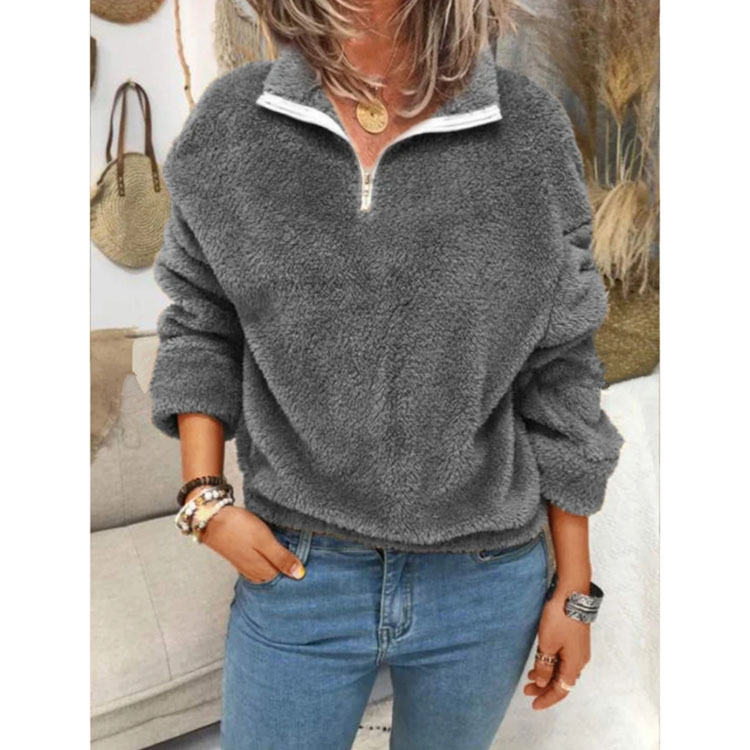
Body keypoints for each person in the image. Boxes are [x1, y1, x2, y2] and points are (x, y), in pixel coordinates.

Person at [149, 1, 625, 748]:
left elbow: (560, 367)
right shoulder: (237, 122)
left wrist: (575, 590)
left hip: (485, 580)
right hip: (301, 570)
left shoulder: (525, 129)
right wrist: (205, 500)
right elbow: (201, 322)